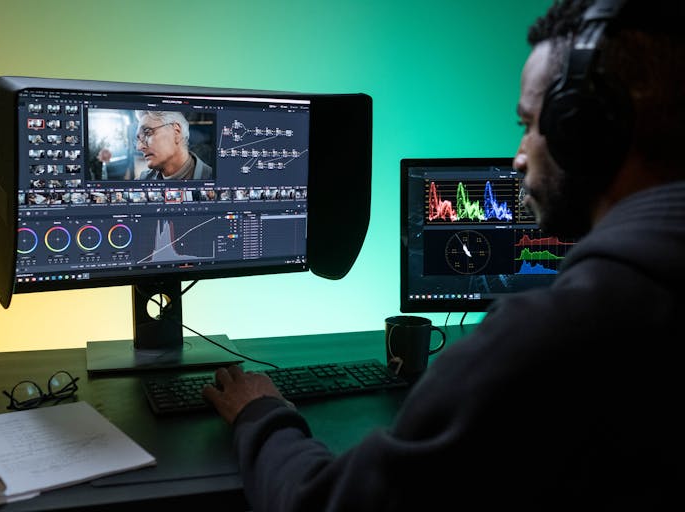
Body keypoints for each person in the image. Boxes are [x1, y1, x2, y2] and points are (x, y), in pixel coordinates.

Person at [202, 0, 685, 509]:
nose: (519, 154)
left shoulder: (555, 338)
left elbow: (320, 503)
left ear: (584, 128)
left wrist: (262, 414)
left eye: (529, 123)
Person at [134, 110, 213, 180]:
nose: (139, 147)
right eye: (139, 138)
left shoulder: (212, 178)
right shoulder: (142, 180)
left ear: (176, 132)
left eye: (147, 132)